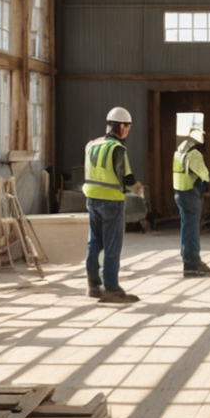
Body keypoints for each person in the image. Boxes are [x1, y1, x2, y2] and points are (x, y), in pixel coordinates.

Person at [84, 106, 143, 303]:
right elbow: (127, 179)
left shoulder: (92, 145)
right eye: (128, 126)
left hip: (92, 199)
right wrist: (137, 188)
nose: (128, 130)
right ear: (122, 127)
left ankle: (93, 285)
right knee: (112, 246)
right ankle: (111, 287)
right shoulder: (117, 149)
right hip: (111, 202)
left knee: (94, 243)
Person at [172, 121, 210, 277]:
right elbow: (204, 174)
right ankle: (192, 265)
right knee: (192, 230)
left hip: (179, 192)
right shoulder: (194, 153)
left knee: (186, 229)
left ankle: (189, 260)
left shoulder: (180, 149)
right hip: (190, 192)